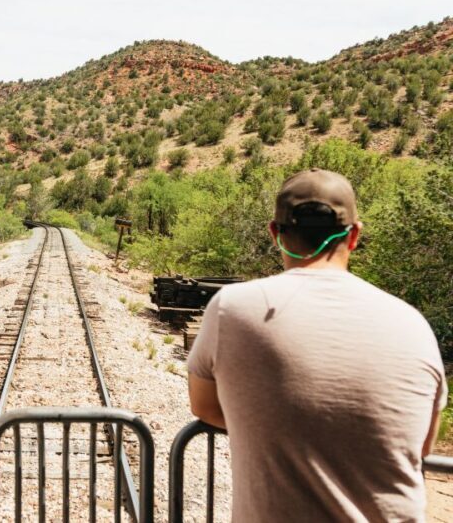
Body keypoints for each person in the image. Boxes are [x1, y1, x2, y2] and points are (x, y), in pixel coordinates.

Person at [187, 168, 447, 522]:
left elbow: (204, 406)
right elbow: (421, 444)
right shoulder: (413, 324)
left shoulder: (232, 308)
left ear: (275, 233)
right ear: (354, 235)